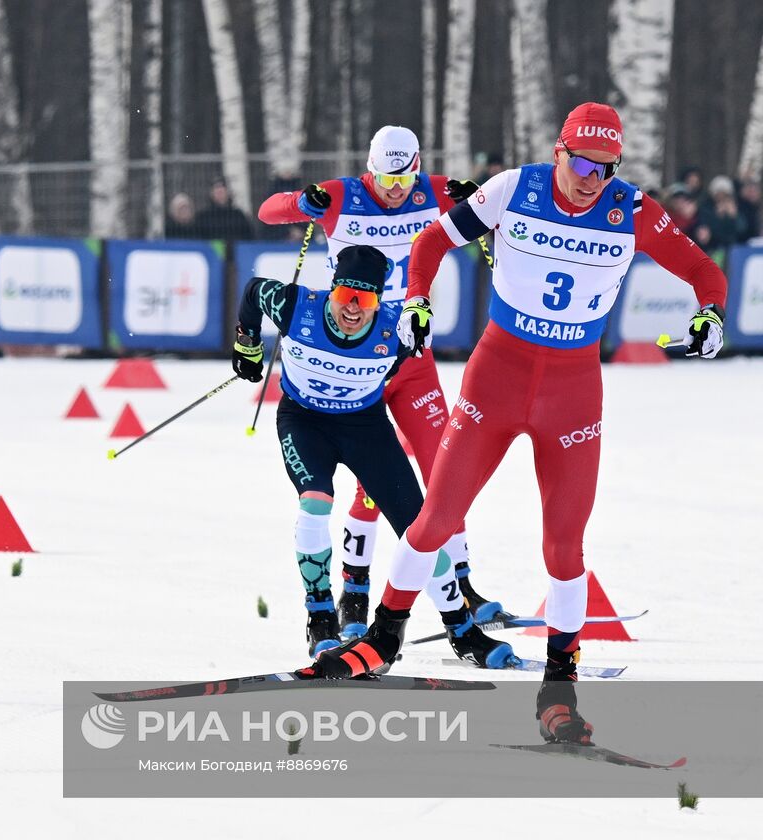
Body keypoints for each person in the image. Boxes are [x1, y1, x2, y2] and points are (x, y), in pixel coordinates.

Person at [305, 102, 727, 745]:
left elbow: (704, 271)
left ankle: (559, 692)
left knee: (564, 547)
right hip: (496, 378)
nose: (591, 177)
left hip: (573, 394)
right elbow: (431, 241)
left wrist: (710, 317)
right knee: (435, 516)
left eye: (605, 166)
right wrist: (416, 300)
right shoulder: (514, 189)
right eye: (581, 161)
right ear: (559, 151)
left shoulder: (632, 210)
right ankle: (383, 640)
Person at [257, 125, 500, 650]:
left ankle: (460, 586)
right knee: (368, 475)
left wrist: (473, 199)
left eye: (405, 175)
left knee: (440, 473)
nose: (396, 189)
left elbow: (499, 213)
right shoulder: (344, 194)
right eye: (387, 177)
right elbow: (269, 211)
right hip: (350, 353)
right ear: (371, 168)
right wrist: (304, 199)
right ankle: (352, 589)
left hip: (408, 354)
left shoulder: (432, 190)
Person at [233, 244, 514, 666]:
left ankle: (461, 629)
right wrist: (247, 344)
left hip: (366, 427)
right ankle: (321, 617)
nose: (353, 308)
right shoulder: (295, 305)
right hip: (304, 423)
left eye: (364, 300)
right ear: (331, 291)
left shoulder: (396, 329)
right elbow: (254, 291)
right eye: (345, 295)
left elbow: (422, 342)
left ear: (378, 301)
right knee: (315, 503)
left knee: (420, 530)